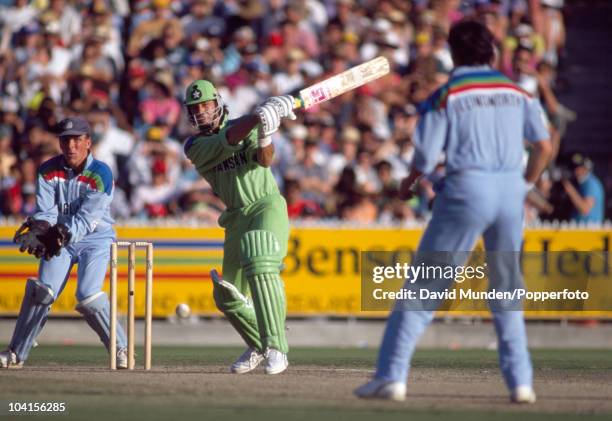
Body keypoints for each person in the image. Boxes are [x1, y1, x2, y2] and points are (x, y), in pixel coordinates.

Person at [354, 21, 552, 403]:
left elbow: (427, 157)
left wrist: (409, 182)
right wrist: (523, 184)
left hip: (467, 188)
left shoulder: (446, 94)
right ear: (492, 52)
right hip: (512, 190)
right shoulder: (517, 92)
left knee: (424, 285)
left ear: (454, 53)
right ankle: (521, 383)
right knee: (508, 289)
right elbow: (543, 147)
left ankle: (391, 377)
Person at [182, 80, 295, 374]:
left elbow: (265, 160)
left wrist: (267, 132)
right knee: (227, 295)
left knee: (260, 260)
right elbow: (230, 138)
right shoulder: (194, 146)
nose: (201, 112)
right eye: (195, 109)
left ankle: (277, 348)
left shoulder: (246, 126)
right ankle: (259, 344)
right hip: (235, 216)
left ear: (218, 103)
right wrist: (260, 116)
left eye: (205, 105)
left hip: (266, 205)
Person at [0, 116, 128, 369]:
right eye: (66, 140)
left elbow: (87, 220)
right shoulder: (47, 170)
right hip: (60, 240)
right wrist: (41, 227)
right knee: (42, 291)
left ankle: (121, 348)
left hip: (95, 239)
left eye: (77, 140)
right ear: (60, 143)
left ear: (88, 142)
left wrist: (61, 233)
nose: (71, 146)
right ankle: (16, 353)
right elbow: (46, 211)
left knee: (88, 295)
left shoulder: (101, 173)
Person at [562, 154, 605, 224]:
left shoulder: (591, 184)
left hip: (588, 231)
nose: (575, 170)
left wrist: (568, 188)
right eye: (573, 167)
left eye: (578, 167)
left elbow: (585, 209)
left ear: (586, 168)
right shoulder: (581, 183)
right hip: (580, 229)